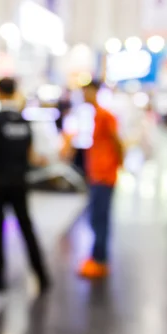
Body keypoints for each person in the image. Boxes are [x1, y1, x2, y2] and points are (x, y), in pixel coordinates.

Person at [0, 77, 50, 292]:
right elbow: (33, 156)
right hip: (20, 183)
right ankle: (42, 276)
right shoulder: (24, 122)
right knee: (26, 228)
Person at [72, 80, 123, 279]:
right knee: (96, 216)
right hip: (97, 174)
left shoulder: (105, 116)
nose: (84, 95)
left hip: (104, 175)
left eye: (86, 92)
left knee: (99, 217)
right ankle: (97, 256)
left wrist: (118, 164)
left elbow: (117, 141)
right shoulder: (95, 116)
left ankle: (99, 259)